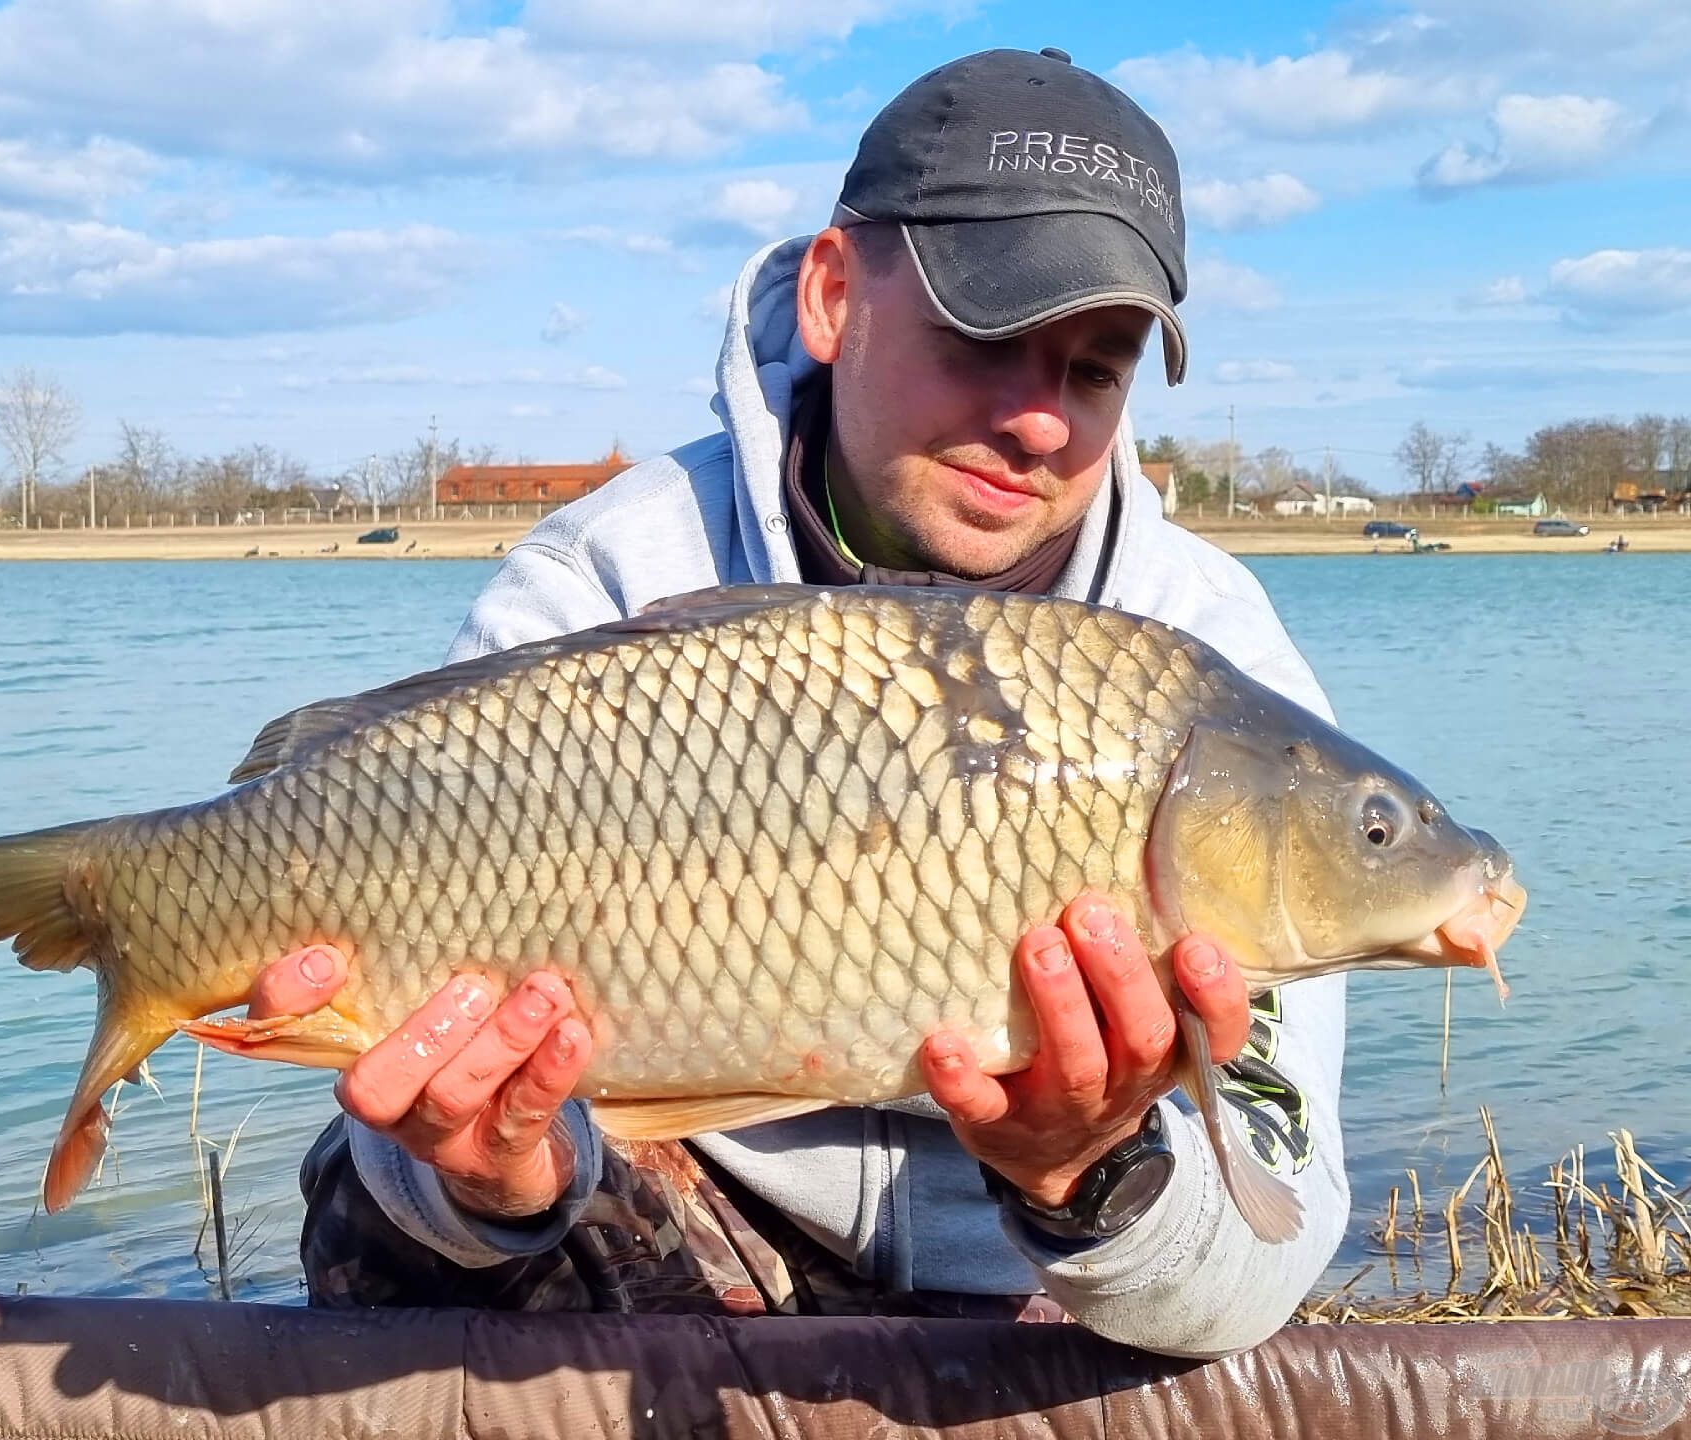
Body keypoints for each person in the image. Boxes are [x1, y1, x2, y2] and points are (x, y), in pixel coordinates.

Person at [246, 47, 1349, 1359]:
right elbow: (424, 1082)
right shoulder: (607, 576)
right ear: (835, 295)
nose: (1042, 426)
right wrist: (496, 1176)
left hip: (1035, 1276)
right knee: (383, 1186)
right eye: (988, 341)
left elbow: (1257, 1262)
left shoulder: (1214, 680)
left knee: (1175, 1267)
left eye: (1095, 369)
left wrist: (1086, 1174)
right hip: (678, 1212)